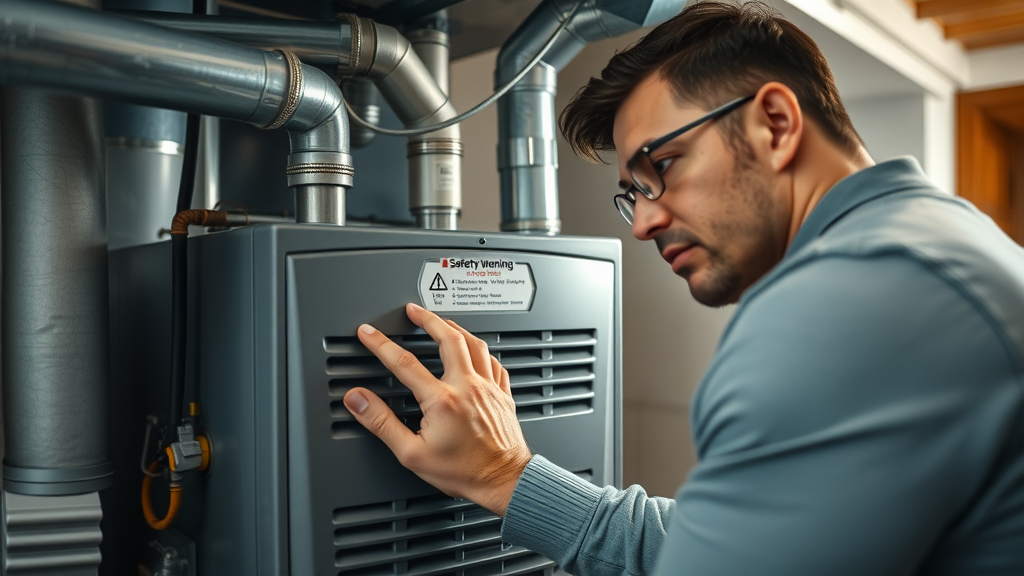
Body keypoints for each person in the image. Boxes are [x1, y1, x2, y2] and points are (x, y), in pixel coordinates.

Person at [343, 2, 1024, 574]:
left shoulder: (846, 301)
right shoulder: (942, 241)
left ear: (776, 124)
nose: (643, 223)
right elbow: (754, 542)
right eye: (632, 193)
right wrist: (503, 476)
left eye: (661, 165)